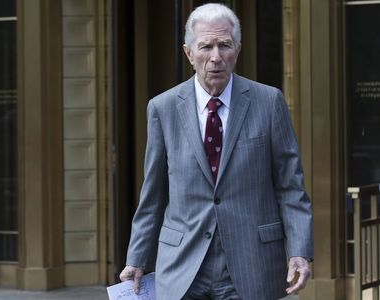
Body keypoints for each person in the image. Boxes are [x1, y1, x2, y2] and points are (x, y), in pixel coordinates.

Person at [119, 3, 313, 300]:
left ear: (238, 49)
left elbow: (290, 187)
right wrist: (137, 257)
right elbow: (153, 193)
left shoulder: (268, 102)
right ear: (188, 53)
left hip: (252, 265)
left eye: (224, 45)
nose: (215, 57)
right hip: (183, 267)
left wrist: (300, 250)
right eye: (206, 46)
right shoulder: (163, 108)